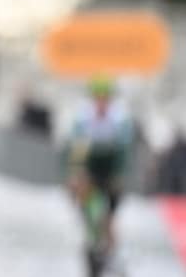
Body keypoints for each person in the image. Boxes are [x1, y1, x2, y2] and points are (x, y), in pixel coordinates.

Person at [63, 75, 134, 263]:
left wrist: (118, 174)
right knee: (89, 205)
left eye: (105, 99)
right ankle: (93, 239)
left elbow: (123, 151)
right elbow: (76, 149)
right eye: (98, 99)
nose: (101, 104)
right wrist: (76, 172)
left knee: (109, 214)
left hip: (110, 170)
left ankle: (110, 250)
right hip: (92, 169)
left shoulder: (119, 119)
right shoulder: (84, 118)